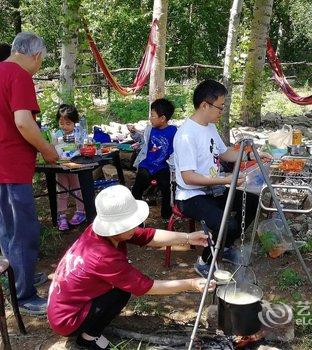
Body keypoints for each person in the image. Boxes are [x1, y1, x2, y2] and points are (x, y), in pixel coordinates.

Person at [47, 185, 215, 350]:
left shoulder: (101, 233)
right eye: (130, 224)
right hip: (67, 319)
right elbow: (146, 286)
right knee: (120, 293)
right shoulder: (102, 255)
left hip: (65, 304)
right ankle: (87, 338)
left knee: (119, 289)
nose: (135, 228)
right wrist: (192, 283)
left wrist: (188, 237)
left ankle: (91, 322)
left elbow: (148, 236)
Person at [173, 79, 266, 278]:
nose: (222, 111)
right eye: (220, 107)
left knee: (251, 201)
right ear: (204, 105)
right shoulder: (186, 135)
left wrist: (251, 155)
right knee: (226, 223)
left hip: (213, 189)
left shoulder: (209, 126)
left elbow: (224, 154)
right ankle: (204, 262)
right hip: (190, 196)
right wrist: (226, 180)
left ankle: (224, 247)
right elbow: (188, 177)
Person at [0, 32, 59, 315]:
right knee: (23, 231)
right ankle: (23, 295)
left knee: (7, 229)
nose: (38, 67)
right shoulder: (19, 75)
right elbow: (23, 122)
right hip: (10, 166)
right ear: (35, 56)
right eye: (41, 61)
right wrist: (47, 149)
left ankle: (17, 279)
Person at [132, 98, 177, 220]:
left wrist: (173, 166)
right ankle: (135, 215)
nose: (150, 118)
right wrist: (133, 133)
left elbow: (176, 150)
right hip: (147, 165)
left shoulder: (174, 131)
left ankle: (166, 215)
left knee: (166, 188)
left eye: (152, 116)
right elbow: (142, 142)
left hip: (163, 166)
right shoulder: (149, 129)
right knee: (137, 188)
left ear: (162, 118)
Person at [55, 104, 86, 231]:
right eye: (61, 123)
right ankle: (61, 215)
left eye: (68, 123)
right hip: (61, 166)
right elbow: (53, 147)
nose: (64, 127)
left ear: (74, 122)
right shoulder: (57, 134)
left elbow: (84, 145)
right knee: (61, 190)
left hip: (74, 165)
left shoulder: (79, 132)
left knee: (77, 188)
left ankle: (81, 211)